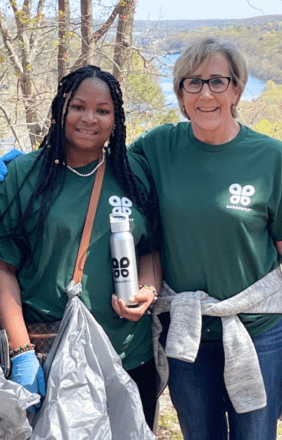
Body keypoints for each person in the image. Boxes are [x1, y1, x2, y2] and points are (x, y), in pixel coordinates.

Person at [128, 37, 282, 440]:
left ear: (236, 88)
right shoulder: (159, 147)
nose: (206, 93)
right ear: (180, 92)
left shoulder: (270, 157)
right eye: (192, 83)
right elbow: (97, 160)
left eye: (217, 81)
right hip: (188, 333)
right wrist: (31, 164)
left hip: (259, 330)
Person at [0, 65, 162, 426]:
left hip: (127, 355)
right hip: (50, 356)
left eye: (102, 110)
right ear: (60, 110)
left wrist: (148, 289)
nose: (89, 118)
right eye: (79, 107)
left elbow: (151, 249)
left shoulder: (135, 174)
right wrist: (21, 353)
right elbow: (1, 266)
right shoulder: (23, 175)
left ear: (116, 119)